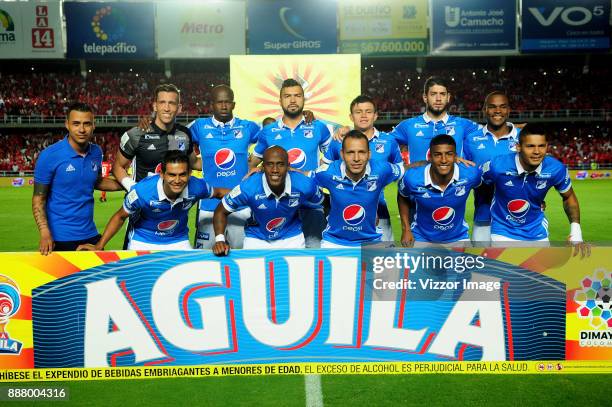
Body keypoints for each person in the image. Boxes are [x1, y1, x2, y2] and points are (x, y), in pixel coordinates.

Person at [78, 151, 228, 251]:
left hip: (178, 240)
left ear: (189, 174)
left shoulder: (197, 186)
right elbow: (120, 216)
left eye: (182, 175)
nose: (177, 180)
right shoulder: (143, 191)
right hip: (143, 240)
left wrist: (246, 191)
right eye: (171, 175)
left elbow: (220, 192)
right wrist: (99, 246)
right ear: (162, 174)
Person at [112, 83, 200, 248]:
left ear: (179, 108)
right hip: (142, 216)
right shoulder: (136, 134)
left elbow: (194, 162)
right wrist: (132, 187)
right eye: (162, 102)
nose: (167, 108)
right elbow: (117, 166)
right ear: (155, 105)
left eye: (172, 103)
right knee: (138, 269)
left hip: (173, 214)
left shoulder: (183, 135)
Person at [482, 124, 588, 256]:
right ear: (518, 147)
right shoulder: (498, 165)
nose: (537, 151)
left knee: (538, 275)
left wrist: (576, 232)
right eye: (530, 146)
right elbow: (475, 180)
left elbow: (568, 196)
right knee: (508, 274)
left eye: (541, 146)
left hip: (538, 232)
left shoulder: (556, 169)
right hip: (503, 231)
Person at [250, 78, 332, 248]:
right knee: (283, 256)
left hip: (311, 204)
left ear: (304, 99)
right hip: (280, 204)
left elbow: (335, 158)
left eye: (297, 96)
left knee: (314, 255)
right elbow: (254, 163)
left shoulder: (318, 127)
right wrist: (256, 170)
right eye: (287, 96)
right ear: (280, 101)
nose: (293, 100)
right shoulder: (268, 132)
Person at [32, 102, 122, 255]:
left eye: (87, 124)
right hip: (60, 238)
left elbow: (96, 181)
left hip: (90, 234)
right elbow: (38, 199)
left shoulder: (96, 152)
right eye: (76, 124)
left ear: (94, 126)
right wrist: (45, 233)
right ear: (67, 124)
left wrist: (126, 184)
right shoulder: (49, 155)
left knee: (98, 278)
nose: (81, 129)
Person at [212, 146, 323, 255]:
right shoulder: (248, 187)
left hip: (292, 238)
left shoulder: (305, 185)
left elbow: (322, 203)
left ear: (288, 167)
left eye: (280, 164)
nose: (275, 170)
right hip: (256, 239)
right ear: (263, 167)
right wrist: (220, 240)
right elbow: (220, 211)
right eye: (270, 164)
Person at [187, 85, 260, 250]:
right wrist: (193, 162)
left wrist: (258, 167)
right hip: (209, 206)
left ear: (233, 104)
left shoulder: (247, 127)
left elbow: (270, 135)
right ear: (212, 104)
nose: (224, 106)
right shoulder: (199, 127)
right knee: (205, 261)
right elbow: (177, 137)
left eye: (227, 102)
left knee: (241, 260)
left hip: (240, 206)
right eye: (219, 102)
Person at [323, 95, 403, 242]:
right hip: (344, 214)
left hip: (380, 214)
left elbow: (399, 170)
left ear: (376, 115)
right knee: (347, 260)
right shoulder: (338, 141)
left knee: (381, 262)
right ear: (351, 116)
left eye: (368, 111)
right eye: (358, 112)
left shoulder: (388, 141)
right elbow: (325, 170)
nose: (364, 115)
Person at [313, 130, 404, 248]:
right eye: (350, 152)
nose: (356, 158)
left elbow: (405, 171)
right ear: (342, 154)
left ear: (369, 154)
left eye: (361, 152)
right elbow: (302, 177)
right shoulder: (328, 172)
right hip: (334, 242)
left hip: (371, 241)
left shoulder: (382, 169)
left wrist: (428, 166)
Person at [398, 135, 481, 245]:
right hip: (422, 238)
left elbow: (484, 189)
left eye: (449, 154)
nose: (443, 160)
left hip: (458, 237)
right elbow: (402, 196)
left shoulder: (470, 174)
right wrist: (406, 229)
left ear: (455, 157)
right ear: (430, 157)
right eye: (437, 155)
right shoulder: (413, 178)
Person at [463, 91, 520, 244]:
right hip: (483, 218)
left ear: (508, 110)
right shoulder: (471, 139)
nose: (497, 111)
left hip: (519, 220)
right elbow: (463, 175)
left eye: (502, 107)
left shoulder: (523, 138)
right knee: (481, 266)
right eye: (492, 107)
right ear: (485, 110)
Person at [391, 76, 481, 163]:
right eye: (433, 94)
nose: (438, 99)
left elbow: (490, 136)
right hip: (419, 178)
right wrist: (400, 168)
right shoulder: (408, 125)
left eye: (442, 94)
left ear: (448, 97)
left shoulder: (463, 125)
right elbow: (384, 143)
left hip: (454, 179)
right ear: (425, 97)